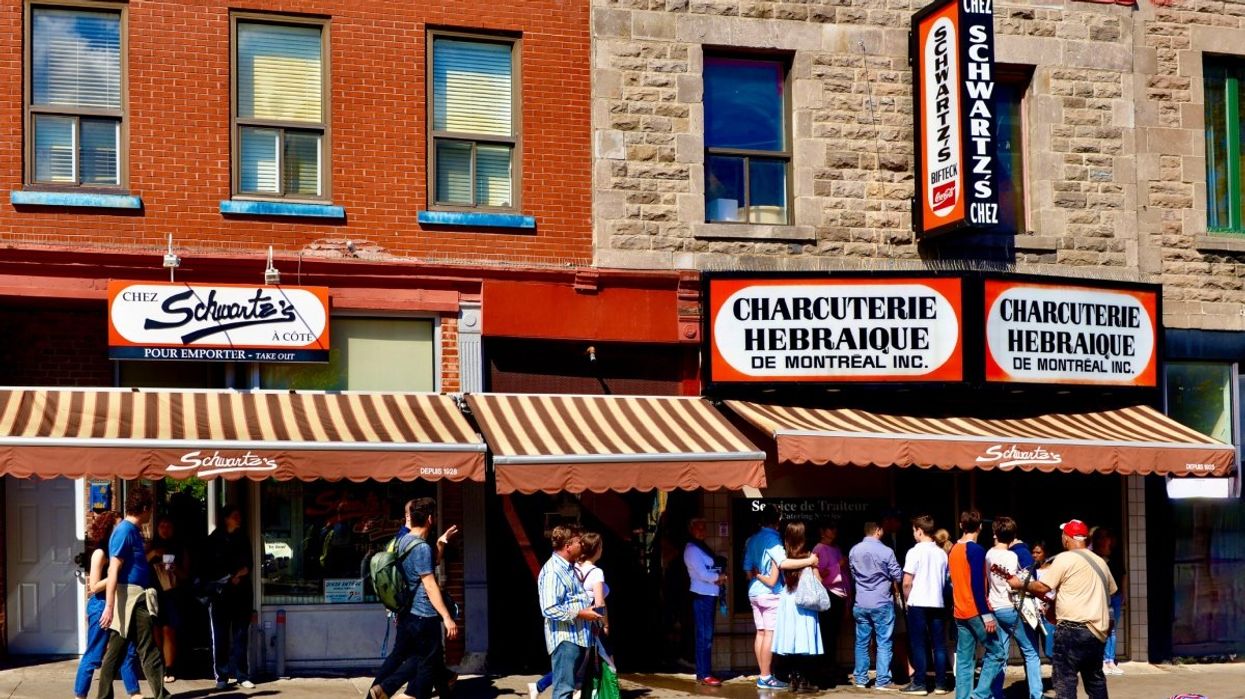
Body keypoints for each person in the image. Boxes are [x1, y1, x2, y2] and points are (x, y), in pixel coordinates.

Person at [1010, 520, 1117, 699]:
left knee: (1065, 681)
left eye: (1063, 535)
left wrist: (1020, 584)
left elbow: (1043, 587)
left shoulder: (1064, 558)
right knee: (1095, 681)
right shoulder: (1101, 562)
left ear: (1067, 538)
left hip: (1071, 630)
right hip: (1097, 632)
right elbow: (1112, 592)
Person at [370, 498, 461, 699]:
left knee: (425, 661)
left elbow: (426, 564)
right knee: (425, 664)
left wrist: (439, 543)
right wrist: (446, 617)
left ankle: (382, 690)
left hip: (408, 615)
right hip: (424, 615)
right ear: (430, 518)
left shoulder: (403, 541)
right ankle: (386, 688)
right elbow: (429, 584)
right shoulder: (421, 547)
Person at [95, 486, 172, 699]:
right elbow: (113, 570)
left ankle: (103, 697)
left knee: (115, 653)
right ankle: (161, 696)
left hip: (132, 597)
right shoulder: (125, 531)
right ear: (145, 508)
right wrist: (109, 607)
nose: (151, 515)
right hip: (132, 599)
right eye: (150, 510)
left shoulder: (133, 532)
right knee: (149, 650)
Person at [530, 532, 611, 699]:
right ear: (568, 546)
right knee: (564, 691)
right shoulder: (553, 571)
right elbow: (549, 608)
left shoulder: (568, 568)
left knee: (568, 687)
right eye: (579, 542)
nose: (582, 545)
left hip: (577, 637)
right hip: (565, 639)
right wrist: (583, 614)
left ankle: (538, 687)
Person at [74, 512, 143, 699]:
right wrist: (115, 572)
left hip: (120, 604)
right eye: (118, 526)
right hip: (101, 605)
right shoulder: (100, 553)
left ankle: (135, 694)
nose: (122, 530)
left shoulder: (119, 551)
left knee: (127, 653)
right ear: (107, 529)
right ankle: (80, 695)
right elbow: (94, 586)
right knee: (94, 655)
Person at [756, 521, 821, 692]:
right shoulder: (810, 556)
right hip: (805, 600)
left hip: (788, 599)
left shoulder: (783, 555)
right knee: (804, 639)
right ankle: (803, 679)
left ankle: (791, 677)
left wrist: (756, 574)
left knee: (791, 639)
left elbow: (773, 578)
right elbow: (818, 581)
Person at [983, 517, 1042, 699]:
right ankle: (1036, 694)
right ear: (1013, 536)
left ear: (995, 533)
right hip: (1011, 608)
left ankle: (995, 693)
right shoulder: (1012, 556)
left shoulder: (988, 555)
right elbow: (1014, 584)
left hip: (995, 607)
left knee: (999, 653)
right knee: (1031, 652)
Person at [947, 510, 998, 699]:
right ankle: (980, 694)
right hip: (975, 610)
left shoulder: (953, 550)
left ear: (961, 525)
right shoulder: (976, 550)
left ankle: (964, 696)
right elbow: (977, 585)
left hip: (959, 611)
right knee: (997, 652)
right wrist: (986, 615)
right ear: (980, 527)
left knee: (964, 660)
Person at [849, 521, 904, 691]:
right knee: (884, 642)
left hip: (861, 602)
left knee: (861, 642)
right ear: (878, 531)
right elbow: (898, 575)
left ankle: (860, 678)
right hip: (881, 602)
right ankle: (882, 680)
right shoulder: (886, 551)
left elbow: (852, 574)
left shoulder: (854, 550)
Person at [206, 505, 254, 690]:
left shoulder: (243, 538)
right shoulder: (214, 540)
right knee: (221, 637)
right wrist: (228, 577)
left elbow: (249, 563)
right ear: (226, 518)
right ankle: (222, 675)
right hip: (221, 595)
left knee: (241, 635)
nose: (238, 519)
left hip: (242, 593)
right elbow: (210, 567)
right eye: (235, 516)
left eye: (239, 515)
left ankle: (243, 675)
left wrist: (239, 574)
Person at [902, 515, 950, 696]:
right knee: (939, 644)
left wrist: (907, 600)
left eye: (914, 530)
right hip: (937, 602)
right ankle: (940, 684)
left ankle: (920, 683)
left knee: (919, 644)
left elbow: (907, 582)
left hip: (918, 602)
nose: (913, 534)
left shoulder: (914, 552)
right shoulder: (941, 553)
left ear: (920, 531)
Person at [743, 504, 785, 689]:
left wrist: (757, 574)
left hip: (753, 592)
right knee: (769, 634)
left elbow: (747, 572)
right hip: (770, 593)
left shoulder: (751, 540)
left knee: (760, 633)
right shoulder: (774, 540)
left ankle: (763, 674)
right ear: (778, 520)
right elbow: (783, 562)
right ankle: (766, 677)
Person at [683, 519, 726, 686]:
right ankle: (704, 673)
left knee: (706, 635)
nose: (702, 531)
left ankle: (704, 672)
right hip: (702, 595)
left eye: (704, 527)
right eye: (698, 528)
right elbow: (702, 574)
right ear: (691, 530)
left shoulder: (701, 547)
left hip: (709, 594)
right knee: (704, 636)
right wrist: (719, 578)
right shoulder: (692, 549)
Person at [147, 516, 189, 684]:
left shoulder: (180, 548)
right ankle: (159, 665)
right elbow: (138, 566)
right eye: (161, 526)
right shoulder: (150, 546)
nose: (164, 529)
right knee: (155, 630)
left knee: (168, 630)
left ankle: (170, 667)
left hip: (172, 594)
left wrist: (174, 569)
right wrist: (152, 554)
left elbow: (186, 575)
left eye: (168, 526)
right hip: (153, 593)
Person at [812, 520, 850, 688]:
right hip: (827, 593)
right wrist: (838, 566)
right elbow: (818, 573)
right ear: (822, 530)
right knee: (826, 633)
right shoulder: (818, 549)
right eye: (830, 528)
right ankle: (824, 668)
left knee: (834, 634)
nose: (833, 531)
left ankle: (830, 666)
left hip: (839, 594)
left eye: (835, 528)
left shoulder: (837, 548)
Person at [1091, 528, 1126, 676]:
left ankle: (1110, 660)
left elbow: (1123, 575)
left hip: (1115, 597)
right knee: (1102, 629)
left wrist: (1124, 594)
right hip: (1101, 598)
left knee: (1112, 630)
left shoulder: (1116, 557)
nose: (1106, 541)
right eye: (1103, 538)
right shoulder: (1094, 557)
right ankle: (1102, 660)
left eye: (1108, 538)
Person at [1030, 541, 1056, 658]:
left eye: (1038, 552)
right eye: (1033, 552)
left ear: (1046, 554)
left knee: (1049, 650)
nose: (1035, 555)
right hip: (1034, 612)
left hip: (1048, 613)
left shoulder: (1053, 569)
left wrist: (1050, 605)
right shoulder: (1031, 570)